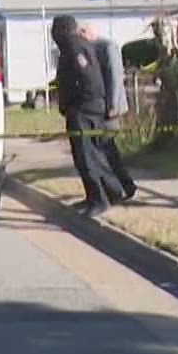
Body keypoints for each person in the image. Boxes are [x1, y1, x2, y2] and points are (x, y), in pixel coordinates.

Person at [52, 14, 126, 216]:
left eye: (55, 30)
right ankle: (109, 191)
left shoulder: (75, 48)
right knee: (92, 154)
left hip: (84, 109)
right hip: (86, 107)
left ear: (62, 30)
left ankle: (99, 199)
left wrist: (76, 103)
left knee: (86, 157)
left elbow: (87, 78)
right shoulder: (76, 46)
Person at [80, 23, 137, 201]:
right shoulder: (89, 48)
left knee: (108, 148)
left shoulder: (107, 47)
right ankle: (118, 187)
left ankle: (124, 186)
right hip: (98, 107)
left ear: (87, 32)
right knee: (104, 149)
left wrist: (113, 105)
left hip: (109, 107)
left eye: (82, 33)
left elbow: (115, 76)